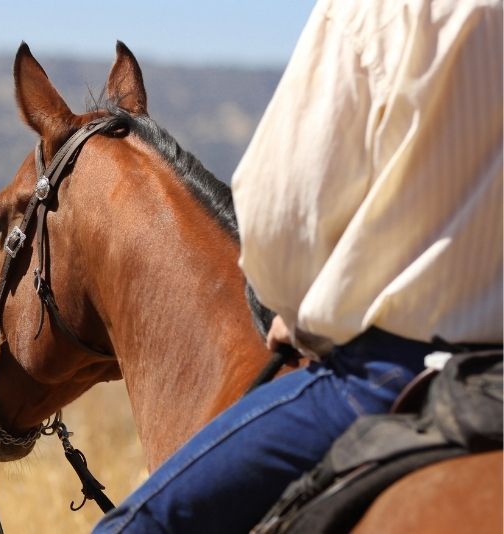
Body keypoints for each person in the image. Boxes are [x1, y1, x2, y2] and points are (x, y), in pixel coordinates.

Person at [93, 0, 502, 532]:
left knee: (139, 525)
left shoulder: (380, 10)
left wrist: (293, 306)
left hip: (393, 369)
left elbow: (280, 209)